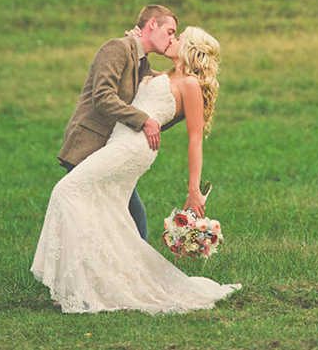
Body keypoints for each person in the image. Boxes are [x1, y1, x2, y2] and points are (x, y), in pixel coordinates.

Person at [31, 26, 241, 314]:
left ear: (190, 49)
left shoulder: (190, 84)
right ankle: (98, 282)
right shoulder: (164, 76)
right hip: (118, 141)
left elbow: (195, 141)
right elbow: (134, 79)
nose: (173, 40)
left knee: (66, 191)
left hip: (134, 148)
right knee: (108, 210)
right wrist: (136, 44)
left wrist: (194, 191)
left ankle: (79, 284)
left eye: (178, 37)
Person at [56, 4, 178, 241]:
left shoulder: (142, 62)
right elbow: (103, 97)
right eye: (171, 31)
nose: (172, 38)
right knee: (90, 219)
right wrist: (144, 121)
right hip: (89, 145)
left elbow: (153, 100)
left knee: (131, 216)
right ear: (152, 24)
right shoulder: (116, 48)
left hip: (112, 150)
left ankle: (131, 273)